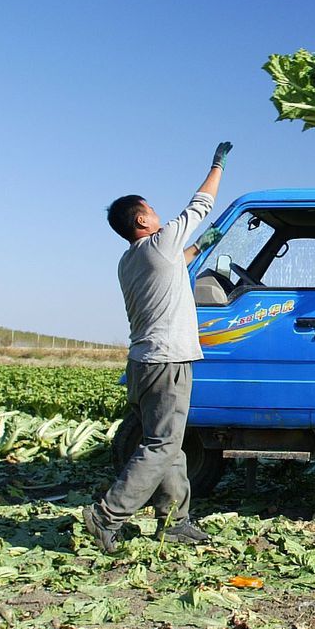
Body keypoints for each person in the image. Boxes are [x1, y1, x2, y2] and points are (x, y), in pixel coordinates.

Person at [81, 141, 233, 554]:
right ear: (143, 218)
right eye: (153, 209)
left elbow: (174, 262)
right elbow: (201, 204)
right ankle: (106, 516)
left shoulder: (131, 259)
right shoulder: (159, 242)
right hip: (169, 361)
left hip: (143, 362)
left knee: (166, 442)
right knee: (162, 444)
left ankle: (175, 520)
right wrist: (217, 165)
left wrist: (203, 247)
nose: (161, 215)